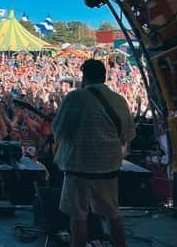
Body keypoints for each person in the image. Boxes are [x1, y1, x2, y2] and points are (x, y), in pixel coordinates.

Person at [52, 59, 136, 247]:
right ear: (104, 77)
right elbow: (128, 134)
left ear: (84, 77)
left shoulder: (75, 98)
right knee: (113, 214)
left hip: (78, 167)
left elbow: (58, 130)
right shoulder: (119, 100)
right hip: (109, 167)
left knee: (78, 216)